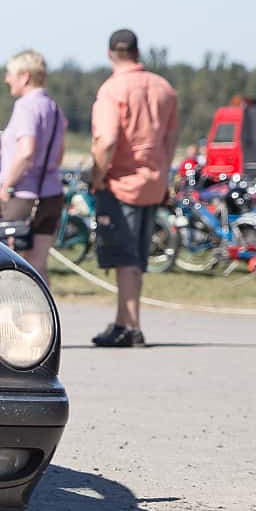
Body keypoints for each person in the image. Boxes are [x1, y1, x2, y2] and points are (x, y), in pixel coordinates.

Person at [88, 29, 179, 348]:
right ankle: (125, 320)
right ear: (138, 52)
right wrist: (163, 176)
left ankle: (129, 325)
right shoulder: (164, 88)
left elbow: (107, 140)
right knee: (137, 258)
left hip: (121, 182)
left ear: (110, 53)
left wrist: (97, 176)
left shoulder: (113, 90)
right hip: (153, 182)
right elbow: (170, 140)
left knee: (125, 258)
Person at [0, 49, 66, 275]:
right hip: (51, 195)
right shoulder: (54, 108)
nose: (7, 79)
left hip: (21, 196)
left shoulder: (25, 106)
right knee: (37, 267)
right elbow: (58, 155)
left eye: (10, 74)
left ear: (24, 77)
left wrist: (6, 186)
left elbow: (26, 152)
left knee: (5, 267)